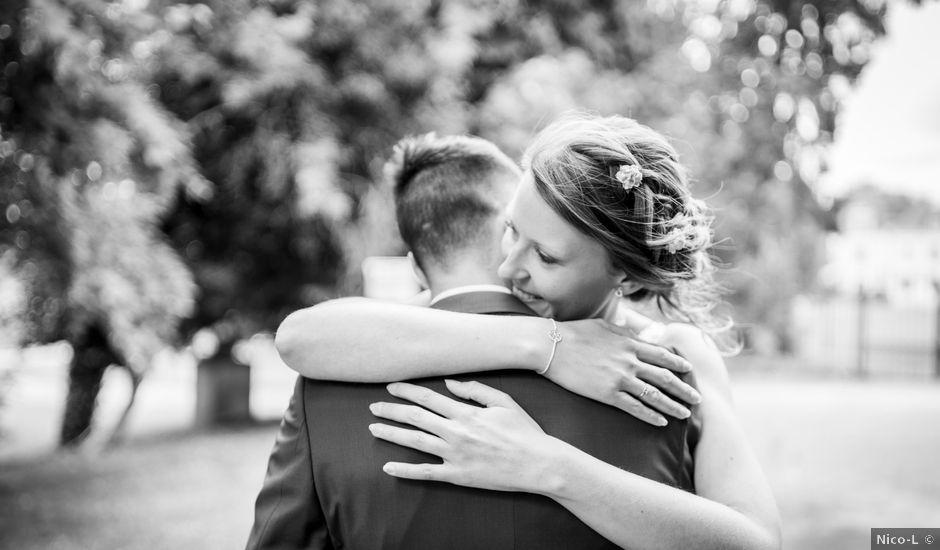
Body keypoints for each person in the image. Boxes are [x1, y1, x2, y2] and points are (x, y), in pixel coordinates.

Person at [275, 113, 782, 549]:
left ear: (624, 274)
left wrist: (547, 465)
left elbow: (755, 542)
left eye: (546, 256)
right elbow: (302, 337)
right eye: (512, 230)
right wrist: (550, 347)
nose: (506, 268)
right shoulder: (440, 322)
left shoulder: (675, 354)